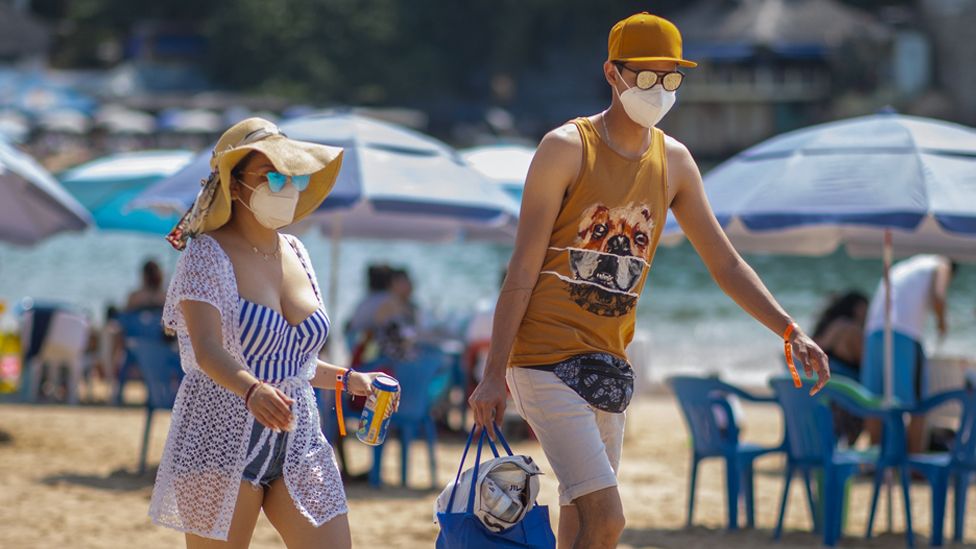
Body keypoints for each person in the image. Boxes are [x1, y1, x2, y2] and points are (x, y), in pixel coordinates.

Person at [468, 13, 830, 549]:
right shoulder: (566, 148)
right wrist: (493, 372)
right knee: (608, 519)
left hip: (610, 366)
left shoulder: (676, 162)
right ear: (612, 74)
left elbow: (726, 264)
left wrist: (789, 329)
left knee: (581, 519)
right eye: (645, 77)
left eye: (671, 78)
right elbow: (522, 266)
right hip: (542, 358)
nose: (658, 90)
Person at [149, 118, 384, 548]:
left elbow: (294, 363)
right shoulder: (205, 254)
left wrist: (351, 380)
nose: (287, 186)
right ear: (235, 185)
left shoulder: (296, 251)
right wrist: (253, 390)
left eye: (292, 176)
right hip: (218, 436)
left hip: (300, 441)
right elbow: (206, 350)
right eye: (273, 175)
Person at [862, 254, 957, 453]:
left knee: (874, 399)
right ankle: (914, 462)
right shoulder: (942, 264)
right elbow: (938, 297)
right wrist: (942, 322)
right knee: (916, 403)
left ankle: (875, 459)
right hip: (903, 332)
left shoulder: (908, 266)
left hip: (873, 330)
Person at [813, 290, 869, 445]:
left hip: (822, 402)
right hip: (844, 404)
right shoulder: (851, 330)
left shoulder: (827, 328)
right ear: (858, 308)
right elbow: (870, 366)